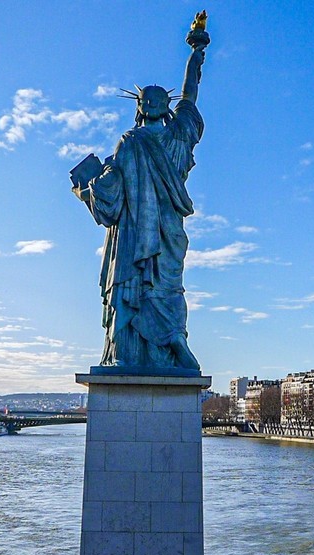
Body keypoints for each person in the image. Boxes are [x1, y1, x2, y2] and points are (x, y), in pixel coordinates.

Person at [71, 18, 210, 371]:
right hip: (169, 234)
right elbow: (191, 92)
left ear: (139, 109)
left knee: (132, 284)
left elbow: (109, 196)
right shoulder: (179, 136)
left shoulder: (129, 144)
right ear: (167, 109)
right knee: (169, 288)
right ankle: (175, 339)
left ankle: (124, 352)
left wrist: (86, 186)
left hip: (136, 239)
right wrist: (196, 50)